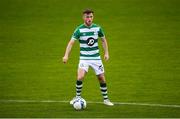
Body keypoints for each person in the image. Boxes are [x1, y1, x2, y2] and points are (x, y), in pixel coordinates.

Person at [62, 9, 114, 106]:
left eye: (91, 16)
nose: (89, 18)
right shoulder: (79, 30)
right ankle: (77, 97)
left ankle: (106, 100)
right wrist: (66, 55)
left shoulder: (97, 28)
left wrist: (106, 53)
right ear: (83, 17)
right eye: (87, 17)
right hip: (84, 58)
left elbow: (103, 40)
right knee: (80, 76)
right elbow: (71, 43)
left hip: (96, 58)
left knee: (102, 78)